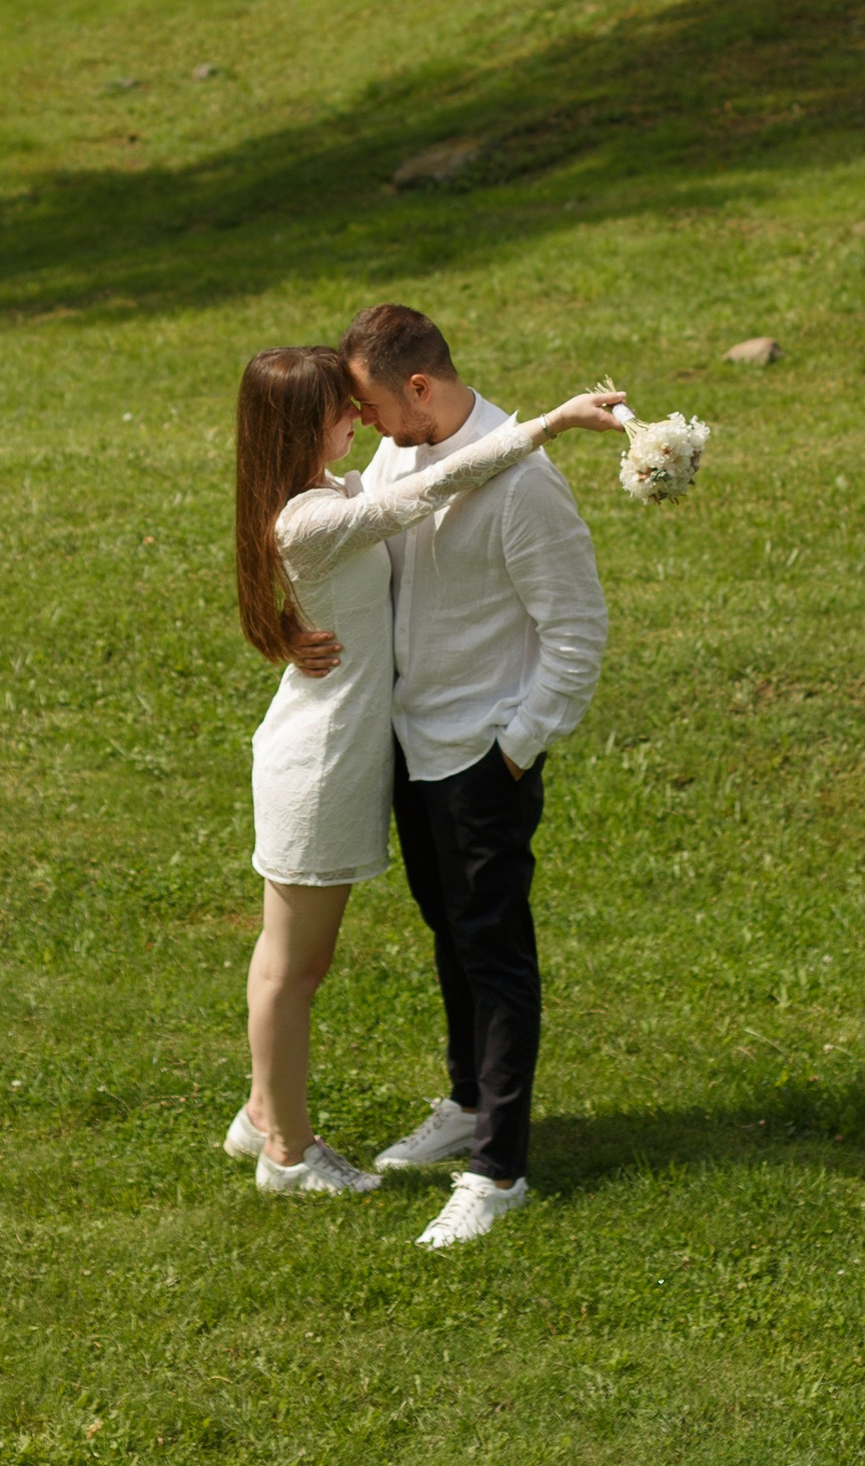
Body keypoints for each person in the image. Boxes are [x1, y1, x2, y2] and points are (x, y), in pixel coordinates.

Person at [226, 345, 628, 1202]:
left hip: (357, 748)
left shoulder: (327, 495)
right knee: (293, 968)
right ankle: (286, 1153)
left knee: (292, 959)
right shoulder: (314, 515)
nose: (361, 419)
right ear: (308, 426)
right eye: (346, 408)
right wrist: (549, 423)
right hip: (323, 762)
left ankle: (264, 1109)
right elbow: (430, 490)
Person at [341, 303, 611, 1248]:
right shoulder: (397, 454)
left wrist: (517, 746)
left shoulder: (525, 485)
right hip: (412, 745)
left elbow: (576, 632)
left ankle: (499, 1166)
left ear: (420, 386)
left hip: (480, 754)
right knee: (447, 932)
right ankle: (465, 1100)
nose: (365, 424)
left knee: (494, 952)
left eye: (373, 405)